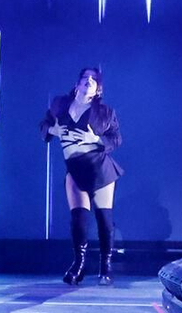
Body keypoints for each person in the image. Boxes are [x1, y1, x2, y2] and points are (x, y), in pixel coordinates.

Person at [42, 67, 123, 285]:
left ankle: (105, 266)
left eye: (93, 80)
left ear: (98, 89)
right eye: (84, 78)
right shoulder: (60, 105)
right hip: (74, 167)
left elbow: (115, 139)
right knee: (78, 219)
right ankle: (79, 264)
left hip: (99, 166)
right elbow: (44, 125)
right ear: (77, 84)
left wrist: (95, 138)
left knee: (103, 218)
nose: (88, 81)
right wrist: (53, 131)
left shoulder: (105, 112)